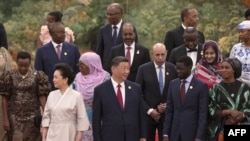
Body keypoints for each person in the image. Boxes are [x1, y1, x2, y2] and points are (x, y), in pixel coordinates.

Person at [92, 56, 146, 141]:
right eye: (123, 68)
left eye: (128, 68)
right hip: (110, 136)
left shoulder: (136, 88)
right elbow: (96, 119)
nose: (127, 72)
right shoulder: (100, 90)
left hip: (132, 136)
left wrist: (143, 135)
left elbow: (141, 114)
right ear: (113, 69)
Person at [0, 51, 50, 141]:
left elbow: (42, 97)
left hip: (33, 117)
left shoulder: (38, 76)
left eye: (26, 66)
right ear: (17, 63)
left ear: (30, 63)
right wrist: (5, 119)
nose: (23, 68)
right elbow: (4, 99)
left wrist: (46, 116)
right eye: (20, 65)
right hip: (14, 117)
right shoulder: (9, 76)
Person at [135, 43, 177, 141]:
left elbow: (176, 91)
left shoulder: (173, 68)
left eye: (162, 54)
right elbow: (137, 93)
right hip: (148, 116)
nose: (160, 58)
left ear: (166, 53)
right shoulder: (143, 69)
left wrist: (168, 105)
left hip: (167, 116)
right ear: (152, 54)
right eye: (157, 55)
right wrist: (150, 110)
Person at [163, 56, 209, 141]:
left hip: (192, 134)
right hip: (175, 134)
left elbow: (203, 114)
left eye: (181, 69)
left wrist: (199, 136)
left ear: (190, 68)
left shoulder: (201, 86)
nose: (178, 71)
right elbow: (169, 110)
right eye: (177, 69)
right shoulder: (173, 84)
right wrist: (165, 133)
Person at [41, 63, 90, 141]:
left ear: (65, 79)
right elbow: (46, 115)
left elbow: (81, 117)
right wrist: (44, 134)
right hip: (52, 131)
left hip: (69, 131)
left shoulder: (76, 96)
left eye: (56, 77)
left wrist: (79, 134)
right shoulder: (51, 95)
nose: (53, 80)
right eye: (53, 77)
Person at [207, 58, 250, 141]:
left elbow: (248, 107)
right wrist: (228, 112)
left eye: (227, 68)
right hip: (220, 130)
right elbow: (210, 110)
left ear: (234, 70)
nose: (223, 70)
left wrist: (240, 116)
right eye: (222, 67)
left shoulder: (245, 88)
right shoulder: (215, 89)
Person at [74, 52, 110, 141]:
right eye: (79, 64)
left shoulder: (105, 77)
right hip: (81, 118)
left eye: (83, 65)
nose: (80, 67)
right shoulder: (77, 77)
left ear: (92, 64)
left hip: (100, 118)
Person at [35, 22, 80, 90]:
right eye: (59, 33)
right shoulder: (42, 51)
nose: (62, 35)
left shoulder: (73, 49)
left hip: (69, 89)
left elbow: (78, 69)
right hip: (50, 90)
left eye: (63, 32)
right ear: (51, 34)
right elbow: (39, 72)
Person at [95, 3, 138, 71]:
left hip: (124, 68)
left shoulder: (129, 29)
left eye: (111, 14)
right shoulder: (103, 30)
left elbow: (135, 48)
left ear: (119, 14)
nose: (108, 17)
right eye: (107, 14)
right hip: (107, 69)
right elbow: (99, 51)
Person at [230, 20, 250, 87]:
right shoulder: (236, 48)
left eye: (242, 32)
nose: (240, 34)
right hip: (238, 85)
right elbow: (230, 65)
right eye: (239, 32)